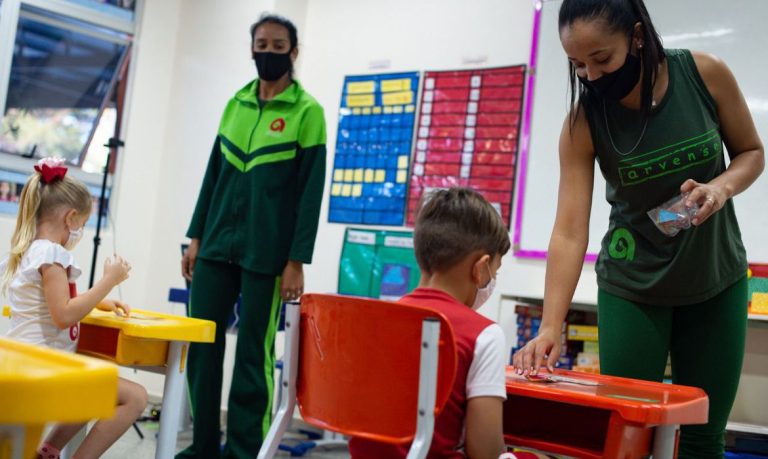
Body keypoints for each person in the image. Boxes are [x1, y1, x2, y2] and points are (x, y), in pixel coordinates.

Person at [512, 1, 764, 457]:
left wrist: (720, 188)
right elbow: (569, 231)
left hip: (716, 282)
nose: (591, 76)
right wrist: (550, 325)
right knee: (627, 436)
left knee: (704, 437)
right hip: (632, 289)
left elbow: (751, 152)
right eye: (577, 65)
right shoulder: (583, 123)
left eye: (602, 59)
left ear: (637, 36)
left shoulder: (704, 74)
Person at [177, 13, 326, 459]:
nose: (269, 53)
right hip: (216, 245)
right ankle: (202, 448)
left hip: (268, 254)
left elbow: (309, 194)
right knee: (201, 349)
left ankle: (244, 451)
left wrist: (296, 260)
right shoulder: (235, 104)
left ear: (293, 52)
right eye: (262, 44)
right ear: (252, 49)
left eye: (278, 46)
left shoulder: (308, 112)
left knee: (251, 360)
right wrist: (196, 236)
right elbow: (213, 176)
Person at [2, 157, 147, 459]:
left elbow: (55, 301)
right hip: (41, 370)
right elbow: (63, 314)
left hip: (25, 364)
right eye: (80, 225)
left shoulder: (32, 250)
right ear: (70, 218)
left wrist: (102, 301)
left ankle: (48, 451)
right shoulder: (52, 254)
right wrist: (108, 281)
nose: (79, 233)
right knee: (135, 397)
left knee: (95, 384)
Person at [349, 187, 510, 459]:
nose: (492, 278)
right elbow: (485, 452)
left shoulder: (377, 321)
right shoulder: (485, 335)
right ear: (480, 267)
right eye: (495, 270)